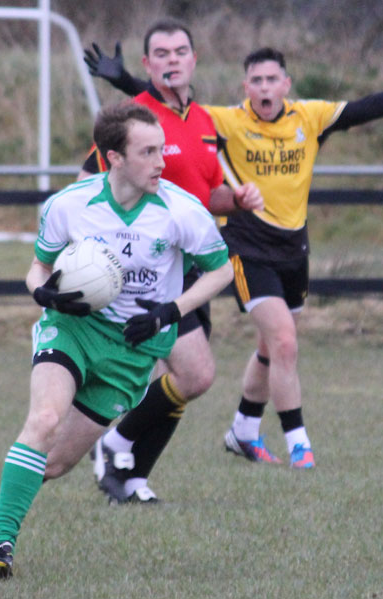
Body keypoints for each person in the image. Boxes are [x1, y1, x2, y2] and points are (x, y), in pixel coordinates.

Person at [81, 44, 383, 469]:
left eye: (271, 79)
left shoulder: (310, 117)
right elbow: (173, 109)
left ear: (286, 84)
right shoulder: (226, 120)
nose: (264, 87)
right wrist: (126, 81)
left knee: (271, 345)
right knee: (282, 340)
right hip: (246, 245)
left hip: (294, 247)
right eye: (255, 80)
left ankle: (244, 428)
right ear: (245, 87)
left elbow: (364, 108)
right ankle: (300, 444)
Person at [0, 102, 233, 578]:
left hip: (132, 353)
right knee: (45, 417)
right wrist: (44, 292)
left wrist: (169, 312)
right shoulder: (70, 205)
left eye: (161, 149)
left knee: (52, 465)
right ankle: (0, 548)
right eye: (148, 151)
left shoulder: (181, 211)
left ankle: (21, 475)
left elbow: (221, 271)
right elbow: (39, 267)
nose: (162, 162)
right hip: (73, 328)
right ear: (114, 157)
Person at [69, 18, 263, 504]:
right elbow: (83, 183)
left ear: (194, 59)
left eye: (181, 51)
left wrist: (236, 198)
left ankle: (129, 474)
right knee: (193, 374)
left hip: (193, 265)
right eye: (162, 53)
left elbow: (206, 194)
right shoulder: (135, 119)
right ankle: (113, 444)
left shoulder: (204, 122)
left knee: (179, 380)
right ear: (147, 65)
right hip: (148, 271)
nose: (172, 59)